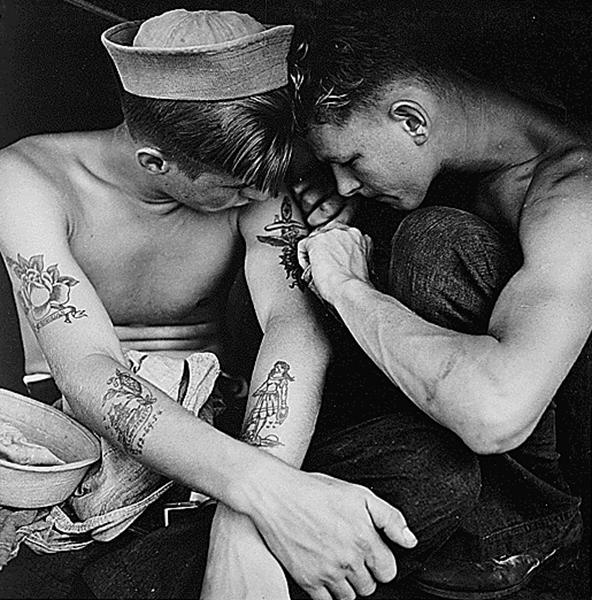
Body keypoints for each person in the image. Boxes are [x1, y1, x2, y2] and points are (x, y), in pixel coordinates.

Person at [0, 9, 432, 600]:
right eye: (234, 187)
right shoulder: (28, 178)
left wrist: (244, 522)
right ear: (157, 161)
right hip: (82, 434)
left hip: (226, 424)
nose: (258, 199)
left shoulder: (252, 176)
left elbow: (293, 324)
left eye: (267, 183)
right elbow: (88, 370)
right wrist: (268, 493)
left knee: (428, 464)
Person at [292, 7, 588, 600]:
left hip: (542, 442)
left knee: (435, 242)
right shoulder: (478, 144)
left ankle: (526, 528)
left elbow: (497, 411)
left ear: (411, 119)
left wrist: (348, 286)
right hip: (471, 438)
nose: (343, 183)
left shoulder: (574, 196)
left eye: (350, 161)